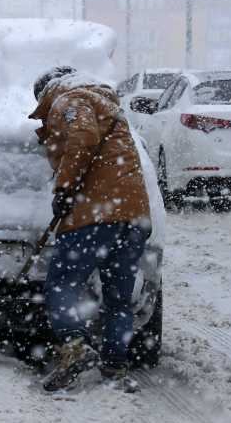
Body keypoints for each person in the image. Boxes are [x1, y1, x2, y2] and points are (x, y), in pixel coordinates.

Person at [29, 66, 153, 393]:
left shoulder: (69, 99)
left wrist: (64, 190)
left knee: (60, 285)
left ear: (45, 92)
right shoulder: (108, 105)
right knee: (118, 299)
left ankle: (75, 346)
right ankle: (115, 367)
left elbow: (83, 136)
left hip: (95, 213)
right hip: (134, 216)